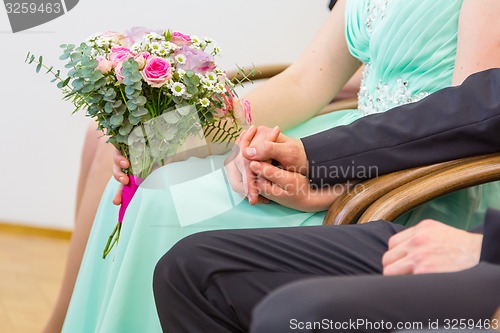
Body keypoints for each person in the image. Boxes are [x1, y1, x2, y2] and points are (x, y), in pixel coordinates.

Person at [62, 0, 500, 332]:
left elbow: (465, 120)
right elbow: (304, 82)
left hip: (408, 174)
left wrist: (330, 176)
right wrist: (169, 137)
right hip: (342, 135)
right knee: (152, 182)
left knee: (165, 210)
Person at [152, 68, 500, 332]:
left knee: (293, 311)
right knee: (187, 267)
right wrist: (311, 158)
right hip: (373, 152)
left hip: (433, 202)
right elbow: (479, 106)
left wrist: (480, 248)